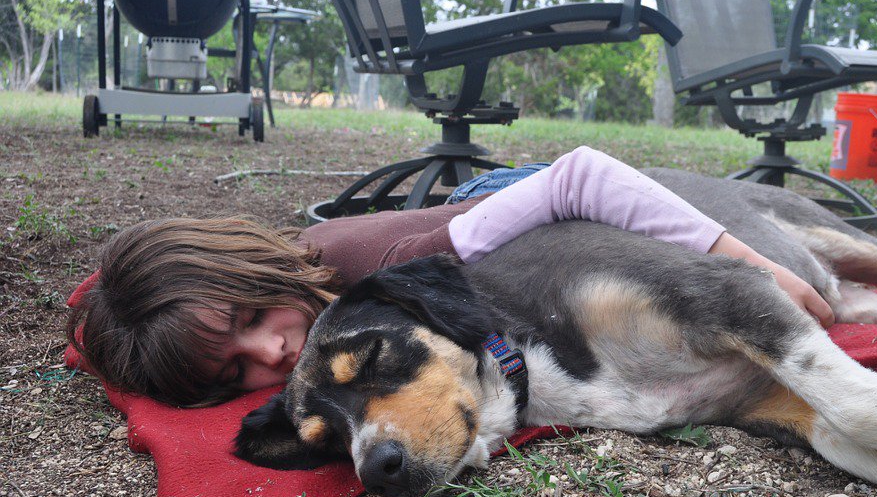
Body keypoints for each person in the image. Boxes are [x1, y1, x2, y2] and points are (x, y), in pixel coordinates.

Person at [67, 146, 833, 408]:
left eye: (249, 319)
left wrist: (751, 265)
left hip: (520, 209)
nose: (268, 354)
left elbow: (583, 177)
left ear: (249, 263)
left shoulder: (402, 271)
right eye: (233, 372)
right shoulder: (296, 297)